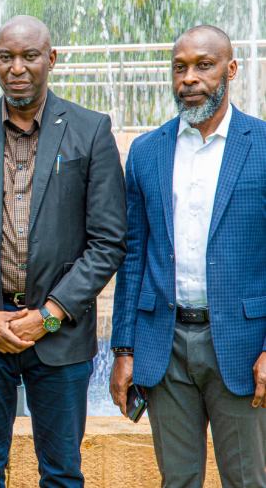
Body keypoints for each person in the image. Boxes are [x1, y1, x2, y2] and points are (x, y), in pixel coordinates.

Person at [0, 15, 126, 486]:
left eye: (28, 56)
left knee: (61, 474)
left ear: (51, 59)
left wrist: (51, 314)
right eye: (5, 57)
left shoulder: (90, 131)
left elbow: (107, 240)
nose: (16, 67)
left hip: (58, 338)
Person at [110, 25, 266, 487]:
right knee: (176, 482)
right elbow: (133, 256)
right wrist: (123, 348)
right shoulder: (146, 152)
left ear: (230, 69)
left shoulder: (261, 146)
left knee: (247, 482)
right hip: (166, 344)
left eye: (203, 65)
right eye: (180, 68)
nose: (189, 78)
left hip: (240, 346)